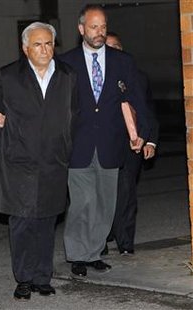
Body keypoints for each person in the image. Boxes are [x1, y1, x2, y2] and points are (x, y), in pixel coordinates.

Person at [0, 22, 79, 301]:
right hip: (19, 162)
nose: (45, 49)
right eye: (38, 44)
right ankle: (24, 278)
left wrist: (66, 148)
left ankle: (42, 277)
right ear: (25, 48)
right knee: (22, 222)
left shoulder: (67, 75)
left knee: (46, 220)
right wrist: (0, 149)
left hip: (53, 161)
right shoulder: (8, 76)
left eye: (49, 43)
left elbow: (74, 116)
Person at [59, 4, 150, 278]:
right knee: (82, 201)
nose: (99, 32)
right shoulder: (66, 63)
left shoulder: (123, 61)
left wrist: (143, 132)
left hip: (112, 144)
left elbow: (138, 100)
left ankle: (95, 251)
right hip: (79, 145)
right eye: (93, 27)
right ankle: (77, 254)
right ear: (81, 29)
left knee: (105, 202)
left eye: (103, 27)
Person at [104, 32, 159, 255]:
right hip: (102, 145)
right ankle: (101, 238)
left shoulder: (138, 76)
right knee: (101, 194)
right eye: (108, 47)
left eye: (116, 46)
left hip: (132, 143)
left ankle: (125, 242)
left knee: (126, 193)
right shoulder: (92, 78)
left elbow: (148, 111)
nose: (113, 50)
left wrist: (151, 140)